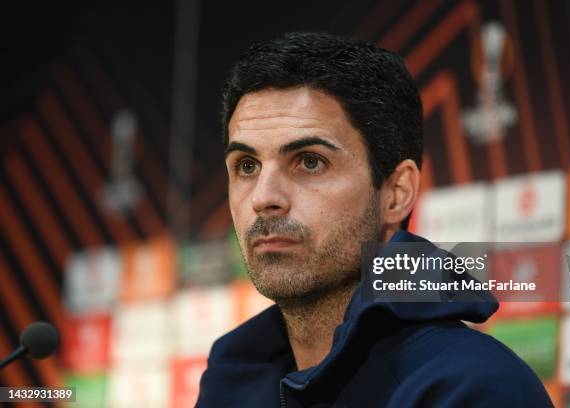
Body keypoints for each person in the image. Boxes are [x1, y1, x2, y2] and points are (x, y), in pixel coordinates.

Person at [196, 32, 552, 407]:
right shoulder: (230, 383)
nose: (264, 197)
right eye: (247, 166)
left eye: (310, 162)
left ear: (396, 193)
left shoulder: (473, 387)